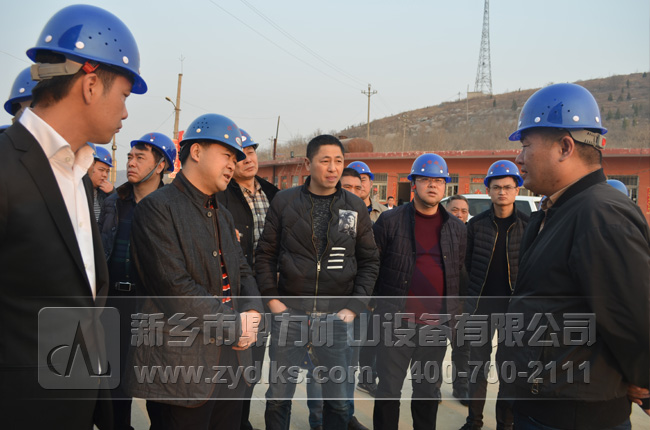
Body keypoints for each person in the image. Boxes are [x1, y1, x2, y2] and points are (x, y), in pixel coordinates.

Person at [0, 5, 145, 429]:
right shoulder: (6, 167)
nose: (125, 112)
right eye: (124, 95)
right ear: (91, 83)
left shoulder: (76, 174)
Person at [504, 83, 650, 429]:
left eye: (526, 145)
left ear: (565, 147)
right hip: (544, 405)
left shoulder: (600, 215)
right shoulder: (555, 211)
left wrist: (643, 381)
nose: (519, 158)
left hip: (576, 415)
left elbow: (633, 319)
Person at [123, 114, 264, 430]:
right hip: (181, 368)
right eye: (227, 155)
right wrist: (235, 326)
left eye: (236, 159)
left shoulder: (222, 215)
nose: (233, 165)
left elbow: (243, 271)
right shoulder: (157, 208)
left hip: (231, 362)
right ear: (197, 151)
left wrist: (254, 312)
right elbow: (174, 287)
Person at [256, 134, 379, 430]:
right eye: (325, 161)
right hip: (291, 316)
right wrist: (273, 301)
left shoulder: (353, 206)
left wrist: (353, 307)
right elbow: (264, 255)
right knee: (278, 396)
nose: (333, 168)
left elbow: (369, 261)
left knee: (338, 401)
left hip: (336, 318)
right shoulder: (285, 201)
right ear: (308, 163)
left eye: (339, 161)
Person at [372, 153, 466, 430]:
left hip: (435, 326)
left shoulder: (456, 228)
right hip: (396, 323)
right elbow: (373, 265)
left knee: (426, 393)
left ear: (445, 186)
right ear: (414, 183)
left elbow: (457, 274)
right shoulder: (389, 221)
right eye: (425, 179)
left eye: (439, 180)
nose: (432, 185)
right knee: (388, 391)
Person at [98, 132, 176, 430]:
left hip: (154, 306)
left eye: (140, 158)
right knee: (114, 382)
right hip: (115, 303)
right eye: (130, 157)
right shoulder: (113, 202)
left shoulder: (173, 206)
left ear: (160, 166)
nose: (131, 162)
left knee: (157, 381)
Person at [216, 128, 279, 430]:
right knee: (230, 367)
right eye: (240, 156)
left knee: (253, 364)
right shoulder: (221, 196)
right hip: (234, 293)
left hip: (266, 291)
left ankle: (241, 420)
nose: (248, 159)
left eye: (251, 152)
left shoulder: (274, 194)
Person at [459, 160, 529, 430]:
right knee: (477, 367)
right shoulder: (476, 226)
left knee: (509, 370)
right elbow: (464, 266)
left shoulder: (528, 226)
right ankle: (474, 421)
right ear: (488, 190)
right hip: (480, 308)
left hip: (514, 310)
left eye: (507, 187)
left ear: (517, 190)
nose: (502, 192)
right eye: (496, 187)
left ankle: (505, 424)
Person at [88, 145, 115, 221]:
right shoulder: (78, 191)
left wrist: (113, 194)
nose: (105, 175)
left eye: (107, 171)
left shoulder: (106, 194)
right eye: (101, 170)